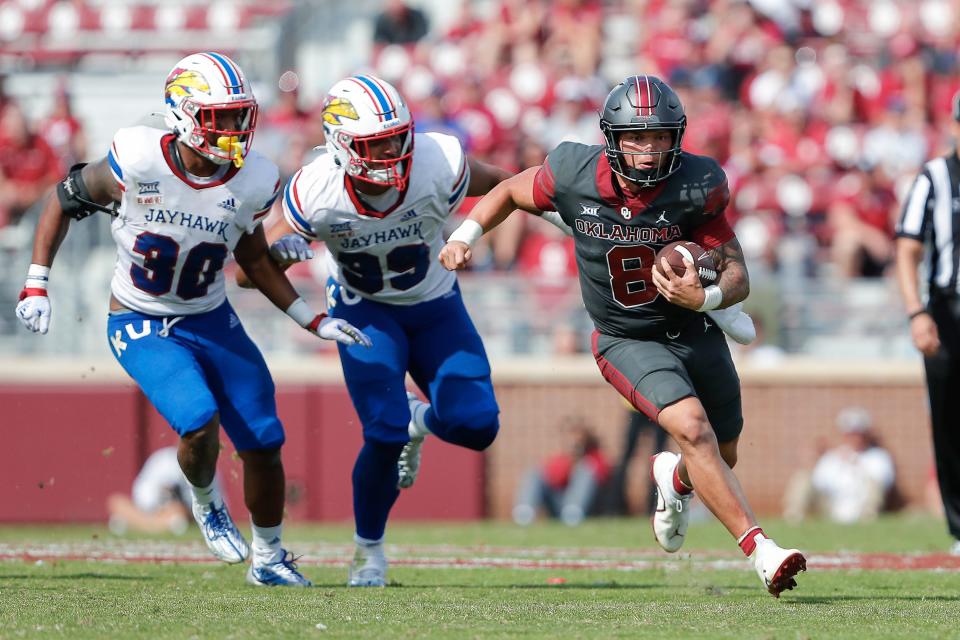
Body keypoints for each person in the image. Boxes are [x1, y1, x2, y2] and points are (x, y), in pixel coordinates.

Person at [440, 75, 806, 597]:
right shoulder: (573, 171)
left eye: (659, 136)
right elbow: (508, 191)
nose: (649, 148)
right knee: (693, 429)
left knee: (721, 454)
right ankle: (762, 551)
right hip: (625, 337)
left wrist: (701, 299)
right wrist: (463, 236)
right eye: (636, 136)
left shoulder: (696, 182)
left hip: (692, 327)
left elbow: (736, 272)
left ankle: (674, 480)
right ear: (611, 137)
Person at [15, 52, 372, 586]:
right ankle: (206, 502)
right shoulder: (137, 157)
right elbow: (62, 200)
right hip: (140, 318)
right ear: (183, 115)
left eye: (239, 116)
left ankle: (270, 558)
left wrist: (309, 318)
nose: (234, 129)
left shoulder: (254, 179)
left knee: (264, 438)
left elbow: (251, 261)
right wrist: (37, 281)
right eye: (220, 117)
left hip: (210, 315)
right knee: (199, 418)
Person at [237, 74, 532, 587]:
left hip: (435, 304)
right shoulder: (317, 188)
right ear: (341, 147)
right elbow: (245, 271)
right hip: (364, 309)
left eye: (397, 138)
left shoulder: (436, 162)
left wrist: (563, 211)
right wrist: (280, 257)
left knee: (478, 425)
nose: (393, 154)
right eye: (376, 145)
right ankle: (368, 552)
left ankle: (421, 421)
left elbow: (515, 187)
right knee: (382, 433)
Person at [895, 91, 960, 556]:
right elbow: (908, 249)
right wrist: (917, 313)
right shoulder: (935, 177)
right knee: (951, 421)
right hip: (949, 310)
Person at [782, 407, 896, 524]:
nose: (854, 438)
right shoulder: (833, 457)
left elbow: (883, 483)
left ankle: (867, 519)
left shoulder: (878, 456)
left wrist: (856, 464)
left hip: (861, 505)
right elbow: (819, 482)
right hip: (832, 505)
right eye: (850, 434)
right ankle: (793, 518)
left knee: (874, 484)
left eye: (858, 434)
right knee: (803, 476)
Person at [512, 420, 611, 526]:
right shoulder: (563, 458)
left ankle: (573, 512)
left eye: (578, 439)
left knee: (586, 469)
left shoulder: (595, 458)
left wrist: (582, 464)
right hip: (560, 504)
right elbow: (554, 477)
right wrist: (570, 464)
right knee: (535, 472)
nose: (574, 444)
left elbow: (603, 476)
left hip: (585, 506)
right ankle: (524, 512)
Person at [107, 446, 192, 535]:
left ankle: (136, 524)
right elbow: (143, 491)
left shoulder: (188, 461)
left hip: (170, 510)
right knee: (116, 502)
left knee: (177, 511)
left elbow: (185, 505)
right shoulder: (165, 457)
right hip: (147, 510)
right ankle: (153, 525)